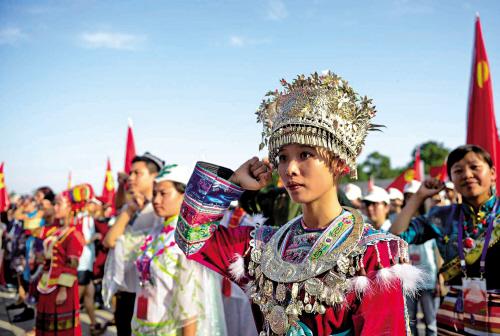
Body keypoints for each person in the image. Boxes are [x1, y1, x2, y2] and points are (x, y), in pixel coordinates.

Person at [176, 71, 422, 335]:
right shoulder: (261, 246)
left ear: (340, 163)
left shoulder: (374, 255)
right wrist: (233, 183)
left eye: (305, 154)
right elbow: (192, 238)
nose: (290, 169)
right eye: (282, 157)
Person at [391, 144, 499, 335]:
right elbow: (396, 238)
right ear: (452, 179)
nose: (467, 174)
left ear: (492, 173)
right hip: (453, 313)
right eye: (458, 170)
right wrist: (418, 198)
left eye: (474, 167)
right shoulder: (441, 217)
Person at [132, 164, 227, 336]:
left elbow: (191, 304)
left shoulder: (187, 238)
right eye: (154, 193)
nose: (156, 200)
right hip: (143, 325)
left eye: (163, 194)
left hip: (169, 329)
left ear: (185, 196)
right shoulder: (155, 233)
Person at [103, 152, 163, 336]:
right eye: (131, 173)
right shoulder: (134, 206)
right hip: (126, 292)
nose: (131, 177)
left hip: (145, 293)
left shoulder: (159, 209)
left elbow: (110, 240)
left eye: (138, 173)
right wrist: (129, 208)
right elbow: (109, 240)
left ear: (155, 176)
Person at [35, 189, 86, 336]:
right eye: (55, 204)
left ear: (71, 208)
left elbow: (72, 264)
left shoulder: (74, 233)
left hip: (63, 288)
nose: (55, 207)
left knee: (62, 330)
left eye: (59, 204)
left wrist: (63, 290)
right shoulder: (57, 231)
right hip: (48, 284)